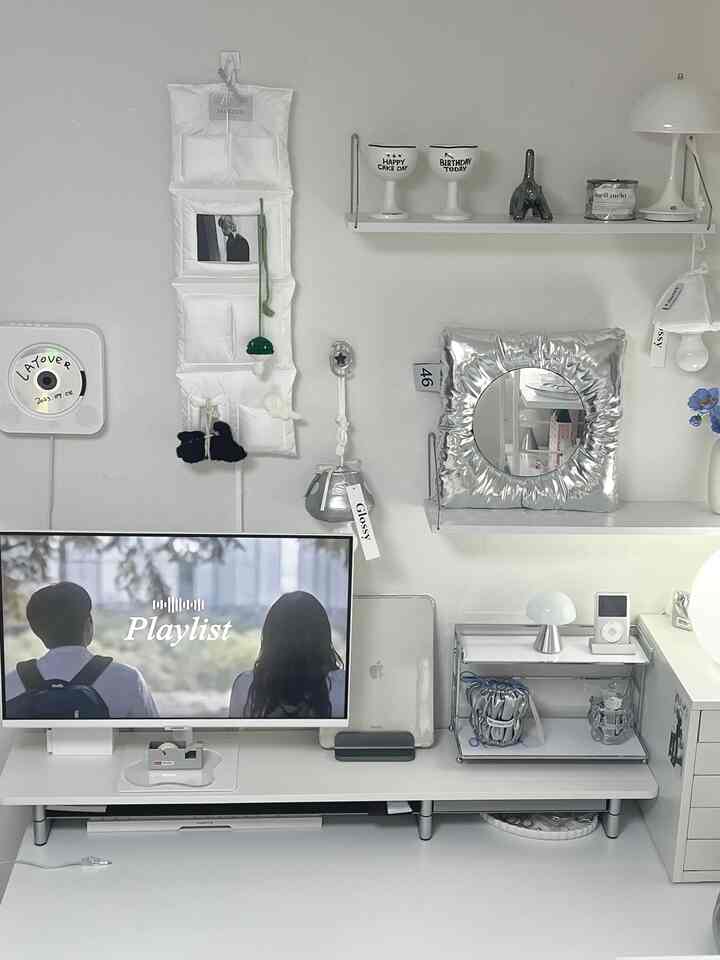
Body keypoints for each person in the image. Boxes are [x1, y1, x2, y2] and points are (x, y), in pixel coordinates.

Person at [4, 582, 159, 720]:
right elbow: (152, 737)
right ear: (88, 624)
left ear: (36, 630)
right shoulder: (128, 679)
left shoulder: (10, 683)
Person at [228, 591, 346, 719]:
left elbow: (235, 737)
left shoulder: (246, 686)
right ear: (322, 637)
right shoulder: (343, 687)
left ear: (270, 637)